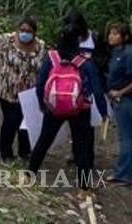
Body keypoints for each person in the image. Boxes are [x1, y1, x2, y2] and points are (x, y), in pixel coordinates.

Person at [28, 10, 108, 188]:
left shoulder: (52, 58)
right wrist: (103, 113)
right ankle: (84, 184)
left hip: (54, 107)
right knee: (82, 146)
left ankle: (30, 173)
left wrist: (43, 104)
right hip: (80, 108)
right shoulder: (84, 62)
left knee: (44, 140)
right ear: (77, 41)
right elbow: (96, 89)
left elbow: (41, 84)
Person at [0, 16, 45, 162]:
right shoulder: (6, 40)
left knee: (26, 121)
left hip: (29, 92)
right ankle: (6, 153)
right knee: (11, 120)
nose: (24, 33)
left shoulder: (40, 46)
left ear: (34, 33)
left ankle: (25, 151)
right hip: (8, 89)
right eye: (22, 30)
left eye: (28, 31)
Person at [106, 20, 132, 186]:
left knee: (126, 137)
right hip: (117, 99)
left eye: (115, 33)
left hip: (125, 100)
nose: (111, 36)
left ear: (125, 37)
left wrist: (120, 92)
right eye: (110, 33)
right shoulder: (116, 53)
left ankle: (124, 174)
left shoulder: (128, 54)